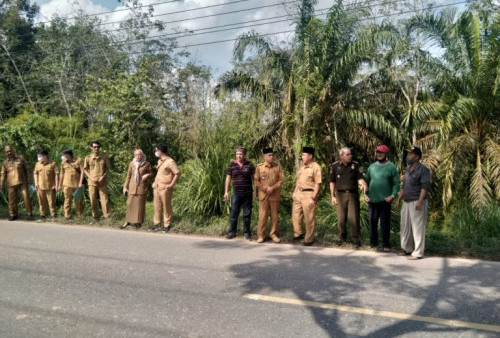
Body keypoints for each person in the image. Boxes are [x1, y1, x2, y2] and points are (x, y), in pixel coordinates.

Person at [394, 146, 431, 260]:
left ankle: (418, 252)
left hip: (417, 201)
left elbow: (425, 187)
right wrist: (398, 199)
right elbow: (404, 186)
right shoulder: (407, 169)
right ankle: (407, 248)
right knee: (405, 226)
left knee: (417, 228)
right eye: (408, 154)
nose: (408, 156)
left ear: (417, 156)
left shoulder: (423, 169)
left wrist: (420, 201)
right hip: (406, 201)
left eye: (411, 154)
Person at [329, 147, 367, 249]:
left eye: (350, 154)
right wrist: (332, 196)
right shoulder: (335, 166)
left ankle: (355, 239)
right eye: (348, 154)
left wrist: (363, 185)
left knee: (353, 217)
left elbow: (360, 178)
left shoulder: (356, 165)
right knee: (341, 218)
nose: (350, 156)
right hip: (340, 195)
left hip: (352, 195)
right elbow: (332, 182)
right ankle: (341, 237)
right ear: (341, 156)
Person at [364, 144, 400, 251]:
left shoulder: (392, 167)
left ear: (386, 154)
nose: (379, 154)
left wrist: (393, 195)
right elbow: (366, 182)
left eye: (381, 152)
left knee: (385, 223)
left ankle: (385, 244)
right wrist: (365, 195)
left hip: (385, 200)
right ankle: (373, 242)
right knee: (372, 222)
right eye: (378, 152)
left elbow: (396, 184)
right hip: (372, 200)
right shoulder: (371, 167)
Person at [292, 147, 322, 246]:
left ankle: (309, 239)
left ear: (310, 156)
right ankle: (298, 233)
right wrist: (295, 192)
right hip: (299, 193)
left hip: (309, 194)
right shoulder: (301, 166)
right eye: (302, 155)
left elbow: (318, 184)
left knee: (309, 218)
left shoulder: (316, 167)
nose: (302, 157)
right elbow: (298, 180)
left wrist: (313, 197)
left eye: (304, 155)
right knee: (295, 215)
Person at [224, 146, 255, 241]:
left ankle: (247, 233)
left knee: (247, 214)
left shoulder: (249, 165)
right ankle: (232, 232)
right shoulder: (232, 165)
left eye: (241, 154)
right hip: (236, 193)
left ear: (244, 155)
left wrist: (256, 191)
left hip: (248, 193)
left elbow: (254, 179)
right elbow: (228, 178)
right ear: (235, 154)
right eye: (237, 154)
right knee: (234, 213)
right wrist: (226, 191)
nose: (239, 156)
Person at [254, 147, 284, 243]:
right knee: (262, 216)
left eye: (272, 155)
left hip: (274, 195)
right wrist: (265, 188)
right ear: (264, 156)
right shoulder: (259, 167)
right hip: (263, 195)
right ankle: (261, 235)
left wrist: (273, 188)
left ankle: (273, 234)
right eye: (269, 155)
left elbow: (281, 180)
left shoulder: (277, 167)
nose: (271, 157)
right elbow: (256, 181)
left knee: (274, 216)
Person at [149, 143, 180, 233]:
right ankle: (156, 224)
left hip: (165, 187)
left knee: (166, 206)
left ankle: (167, 225)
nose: (156, 152)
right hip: (157, 187)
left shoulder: (170, 162)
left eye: (156, 150)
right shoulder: (159, 161)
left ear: (161, 151)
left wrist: (171, 185)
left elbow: (177, 173)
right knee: (157, 206)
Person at [122, 149, 153, 229]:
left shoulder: (147, 164)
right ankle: (127, 221)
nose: (138, 156)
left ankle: (138, 222)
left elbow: (151, 173)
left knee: (139, 206)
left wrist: (147, 175)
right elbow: (128, 176)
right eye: (136, 154)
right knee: (129, 204)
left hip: (141, 187)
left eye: (139, 154)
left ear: (142, 155)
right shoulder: (131, 163)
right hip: (132, 187)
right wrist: (125, 187)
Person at [0, 145, 33, 220]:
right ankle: (13, 214)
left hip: (22, 181)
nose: (9, 152)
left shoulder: (21, 158)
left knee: (26, 197)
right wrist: (1, 185)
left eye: (10, 150)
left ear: (13, 150)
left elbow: (27, 168)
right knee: (12, 200)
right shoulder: (5, 163)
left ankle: (29, 213)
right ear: (5, 153)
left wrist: (29, 179)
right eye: (7, 151)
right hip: (11, 183)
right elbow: (2, 175)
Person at [83, 141, 111, 224]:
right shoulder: (88, 158)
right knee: (93, 199)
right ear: (91, 148)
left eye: (98, 147)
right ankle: (95, 218)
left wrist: (103, 177)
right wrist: (91, 178)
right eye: (94, 147)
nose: (96, 148)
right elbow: (85, 169)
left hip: (102, 182)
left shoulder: (104, 157)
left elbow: (108, 169)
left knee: (104, 200)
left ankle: (107, 218)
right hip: (92, 182)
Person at [58, 148, 84, 221]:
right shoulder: (63, 162)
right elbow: (62, 173)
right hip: (67, 184)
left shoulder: (79, 160)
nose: (62, 156)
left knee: (78, 200)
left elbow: (82, 172)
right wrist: (60, 184)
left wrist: (80, 183)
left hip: (77, 184)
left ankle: (79, 215)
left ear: (68, 154)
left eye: (63, 155)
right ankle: (67, 216)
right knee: (67, 200)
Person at [33, 149, 59, 222]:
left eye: (40, 156)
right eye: (38, 156)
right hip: (40, 186)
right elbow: (35, 173)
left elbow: (57, 175)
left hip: (50, 186)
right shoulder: (38, 164)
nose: (39, 157)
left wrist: (56, 185)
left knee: (51, 202)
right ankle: (42, 215)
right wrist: (36, 183)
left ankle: (53, 215)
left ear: (45, 156)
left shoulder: (53, 164)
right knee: (41, 202)